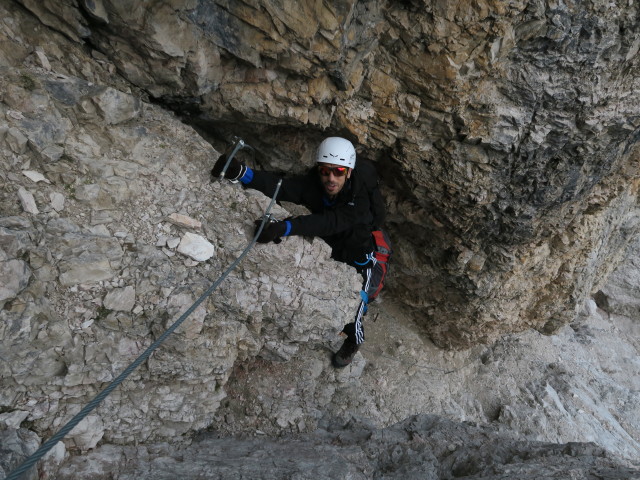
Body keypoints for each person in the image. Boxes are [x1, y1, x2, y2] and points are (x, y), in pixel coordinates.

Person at [211, 137, 391, 368]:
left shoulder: (359, 201)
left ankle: (354, 340)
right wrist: (242, 173)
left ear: (349, 172)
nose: (331, 178)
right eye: (325, 171)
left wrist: (286, 227)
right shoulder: (315, 184)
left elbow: (328, 222)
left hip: (360, 255)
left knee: (357, 305)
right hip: (333, 246)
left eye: (338, 171)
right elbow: (284, 187)